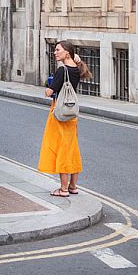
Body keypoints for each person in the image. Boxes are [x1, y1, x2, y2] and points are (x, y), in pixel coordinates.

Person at [38, 40, 92, 197]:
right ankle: (73, 186)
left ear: (66, 53)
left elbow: (49, 92)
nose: (55, 52)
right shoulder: (76, 68)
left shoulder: (62, 71)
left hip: (60, 113)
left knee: (61, 148)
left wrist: (48, 86)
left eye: (57, 50)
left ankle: (63, 189)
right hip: (72, 114)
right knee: (72, 149)